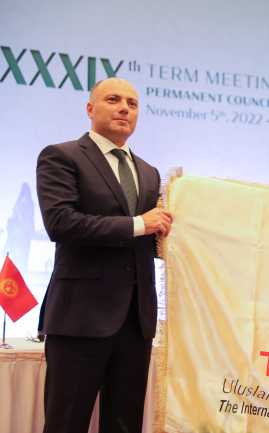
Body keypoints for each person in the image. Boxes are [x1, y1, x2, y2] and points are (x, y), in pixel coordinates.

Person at [36, 77, 173, 433]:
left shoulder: (148, 172)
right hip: (79, 319)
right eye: (113, 99)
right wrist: (138, 224)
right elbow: (61, 223)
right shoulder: (61, 156)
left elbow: (147, 239)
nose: (124, 108)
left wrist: (182, 239)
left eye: (132, 103)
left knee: (125, 426)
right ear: (90, 108)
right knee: (66, 424)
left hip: (136, 322)